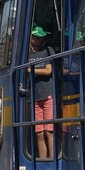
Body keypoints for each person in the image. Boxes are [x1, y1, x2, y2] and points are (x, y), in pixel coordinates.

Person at [29, 27, 56, 160]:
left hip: (47, 94)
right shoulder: (26, 54)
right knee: (39, 133)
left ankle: (52, 160)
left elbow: (48, 70)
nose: (40, 39)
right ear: (30, 38)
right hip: (34, 97)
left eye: (41, 36)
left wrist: (31, 70)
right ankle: (43, 160)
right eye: (37, 37)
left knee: (48, 131)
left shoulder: (47, 51)